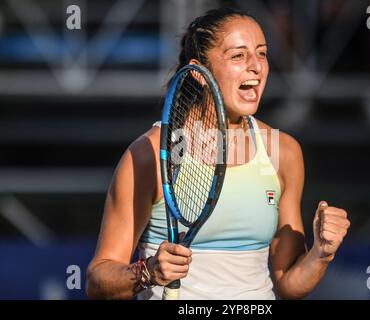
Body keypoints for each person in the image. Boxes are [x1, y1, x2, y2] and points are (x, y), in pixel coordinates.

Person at [86, 7, 350, 300]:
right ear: (200, 72)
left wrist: (321, 253)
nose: (257, 67)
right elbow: (98, 280)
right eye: (238, 56)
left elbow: (288, 282)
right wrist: (148, 272)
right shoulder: (151, 152)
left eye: (261, 53)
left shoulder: (283, 151)